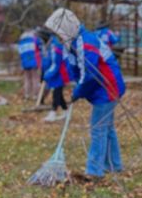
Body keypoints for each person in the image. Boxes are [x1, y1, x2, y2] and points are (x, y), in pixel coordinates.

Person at [44, 9, 126, 179]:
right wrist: (77, 87)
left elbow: (89, 73)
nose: (57, 37)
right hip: (102, 87)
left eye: (59, 33)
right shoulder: (72, 43)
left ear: (66, 28)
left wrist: (79, 91)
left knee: (98, 129)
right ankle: (114, 165)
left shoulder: (86, 43)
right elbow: (73, 67)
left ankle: (94, 171)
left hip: (108, 88)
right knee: (107, 128)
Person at [41, 26, 75, 122]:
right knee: (58, 93)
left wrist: (47, 75)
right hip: (56, 72)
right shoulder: (49, 44)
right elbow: (47, 60)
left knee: (56, 92)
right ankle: (66, 112)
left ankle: (53, 112)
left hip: (61, 72)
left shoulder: (55, 46)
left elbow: (56, 63)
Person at [17, 29, 43, 101]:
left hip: (25, 63)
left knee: (27, 79)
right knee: (35, 79)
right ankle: (35, 95)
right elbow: (41, 48)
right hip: (34, 62)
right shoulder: (35, 40)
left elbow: (20, 54)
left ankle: (27, 95)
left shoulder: (21, 42)